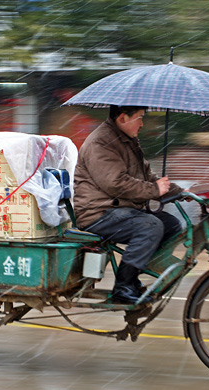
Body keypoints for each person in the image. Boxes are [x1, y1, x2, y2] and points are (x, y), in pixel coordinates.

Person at [73, 105, 183, 304]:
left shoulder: (128, 141)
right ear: (123, 118)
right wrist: (154, 191)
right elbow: (115, 183)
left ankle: (136, 273)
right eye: (139, 118)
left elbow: (148, 177)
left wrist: (183, 193)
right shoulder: (101, 142)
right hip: (98, 213)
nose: (142, 124)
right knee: (150, 225)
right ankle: (123, 287)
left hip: (121, 210)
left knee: (172, 225)